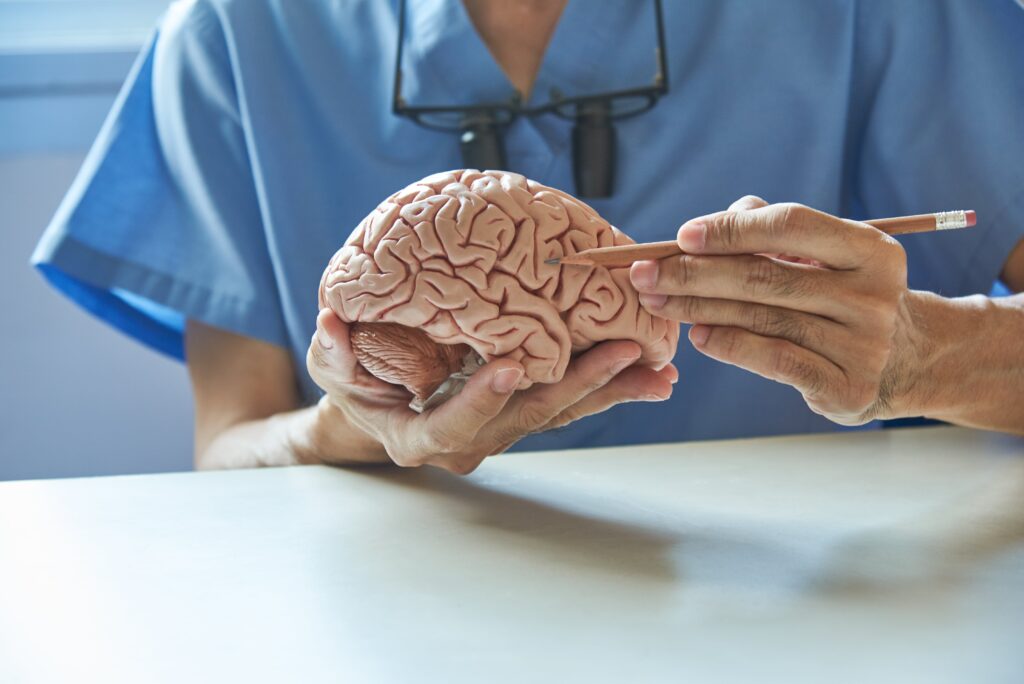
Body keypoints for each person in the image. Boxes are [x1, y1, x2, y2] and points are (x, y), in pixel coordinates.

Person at [33, 0, 1024, 474]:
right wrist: (359, 426)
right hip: (393, 631)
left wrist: (922, 359)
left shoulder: (892, 13)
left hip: (821, 620)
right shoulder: (235, 38)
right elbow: (228, 453)